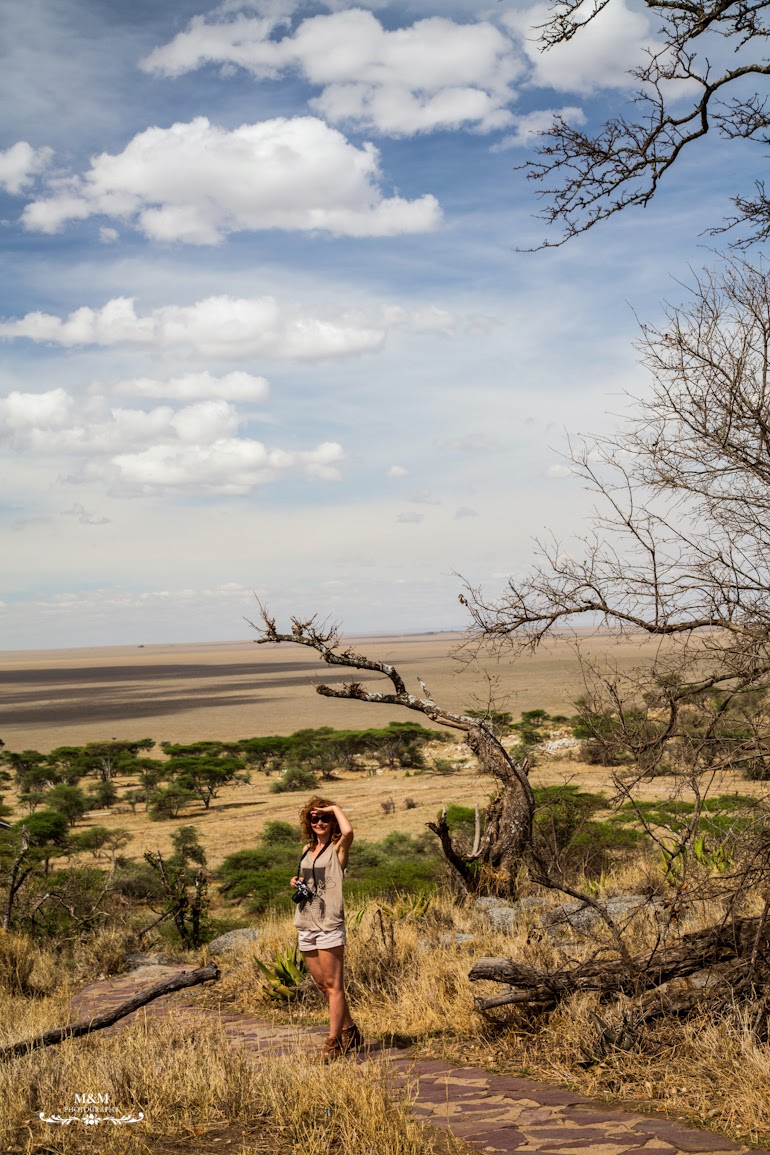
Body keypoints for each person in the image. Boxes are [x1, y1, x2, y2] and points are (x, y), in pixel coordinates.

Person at [291, 795, 363, 1061]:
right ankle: (350, 1030)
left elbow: (349, 831)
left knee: (334, 985)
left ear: (332, 821)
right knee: (323, 985)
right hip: (306, 922)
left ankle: (334, 1042)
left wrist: (334, 808)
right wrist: (297, 881)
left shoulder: (338, 848)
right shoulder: (306, 849)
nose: (319, 822)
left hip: (329, 924)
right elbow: (309, 879)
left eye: (324, 818)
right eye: (314, 818)